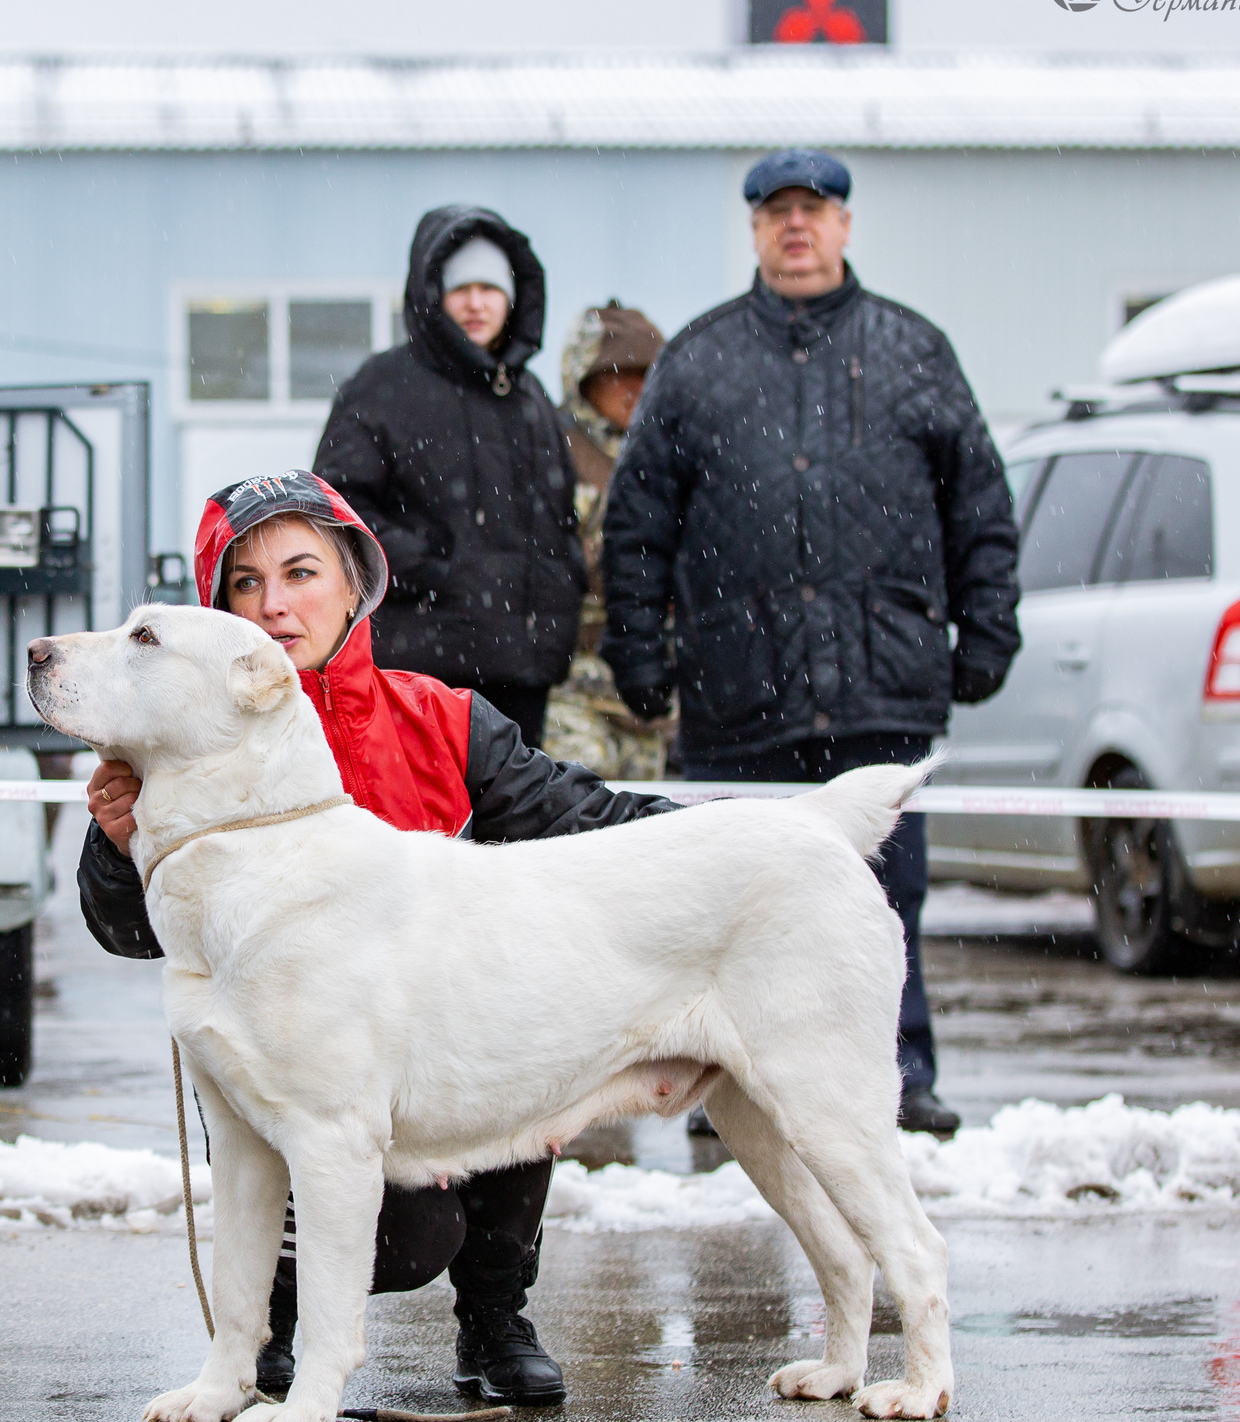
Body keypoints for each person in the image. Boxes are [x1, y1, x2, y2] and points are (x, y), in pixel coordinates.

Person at [78, 470, 674, 1406]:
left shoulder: (444, 720)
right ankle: (264, 1328)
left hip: (439, 1038)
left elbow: (592, 822)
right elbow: (121, 931)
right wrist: (121, 850)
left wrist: (735, 845)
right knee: (384, 1217)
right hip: (295, 1063)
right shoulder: (169, 741)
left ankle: (494, 1314)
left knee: (528, 1028)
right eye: (245, 584)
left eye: (303, 572)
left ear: (357, 583)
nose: (275, 604)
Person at [599, 149, 1021, 1138]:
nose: (796, 227)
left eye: (814, 209)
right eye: (776, 211)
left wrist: (986, 627)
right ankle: (726, 1089)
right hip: (738, 689)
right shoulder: (698, 360)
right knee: (732, 905)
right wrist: (641, 653)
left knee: (884, 895)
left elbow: (980, 507)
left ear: (843, 224)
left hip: (886, 685)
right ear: (753, 230)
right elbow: (637, 522)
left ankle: (898, 1076)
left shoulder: (914, 351)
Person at [312, 206, 582, 746]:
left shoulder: (531, 399)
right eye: (461, 288)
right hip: (423, 667)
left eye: (490, 287)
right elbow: (336, 510)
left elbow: (560, 528)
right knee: (429, 828)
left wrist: (556, 624)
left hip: (524, 673)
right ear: (432, 294)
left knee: (514, 827)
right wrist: (437, 570)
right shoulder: (384, 386)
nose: (477, 303)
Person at [543, 301, 672, 781]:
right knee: (583, 801)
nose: (636, 388)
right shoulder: (550, 447)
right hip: (570, 683)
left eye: (647, 373)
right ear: (583, 377)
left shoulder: (666, 449)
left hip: (646, 688)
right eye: (620, 373)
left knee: (646, 825)